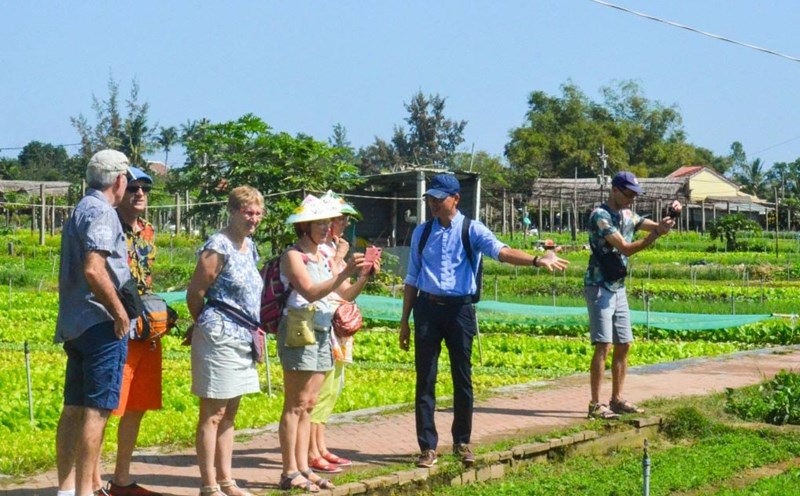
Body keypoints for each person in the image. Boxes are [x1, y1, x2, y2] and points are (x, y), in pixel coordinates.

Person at [399, 174, 569, 469]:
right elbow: (413, 276)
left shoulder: (472, 229)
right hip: (426, 309)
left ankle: (462, 441)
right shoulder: (422, 233)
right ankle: (427, 447)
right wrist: (405, 320)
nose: (434, 203)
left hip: (460, 311)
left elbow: (500, 251)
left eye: (440, 198)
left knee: (462, 377)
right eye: (431, 198)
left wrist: (534, 259)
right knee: (424, 378)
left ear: (456, 199)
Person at [277, 194, 373, 492]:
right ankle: (289, 471)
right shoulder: (293, 256)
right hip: (299, 329)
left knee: (309, 404)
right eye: (318, 222)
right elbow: (309, 291)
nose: (324, 227)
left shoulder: (326, 256)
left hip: (322, 331)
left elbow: (345, 294)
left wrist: (364, 275)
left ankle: (304, 467)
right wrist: (344, 270)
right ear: (303, 226)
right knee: (294, 404)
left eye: (327, 221)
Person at [55, 150, 133, 496]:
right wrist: (119, 312)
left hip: (74, 321)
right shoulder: (104, 213)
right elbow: (93, 268)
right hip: (100, 323)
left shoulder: (81, 207)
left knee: (72, 407)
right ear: (119, 179)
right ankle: (87, 490)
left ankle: (67, 488)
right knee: (97, 409)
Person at [186, 186, 265, 496]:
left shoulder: (250, 246)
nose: (253, 219)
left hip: (244, 336)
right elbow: (196, 293)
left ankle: (227, 480)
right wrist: (205, 324)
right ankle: (209, 485)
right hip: (218, 336)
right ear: (232, 211)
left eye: (258, 213)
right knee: (213, 413)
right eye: (248, 212)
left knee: (230, 413)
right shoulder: (217, 246)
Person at [585, 171, 680, 420]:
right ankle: (595, 404)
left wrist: (670, 217)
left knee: (624, 343)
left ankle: (616, 400)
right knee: (603, 345)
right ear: (615, 190)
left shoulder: (628, 214)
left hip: (618, 286)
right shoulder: (601, 216)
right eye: (628, 194)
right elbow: (626, 247)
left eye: (634, 195)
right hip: (599, 286)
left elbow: (654, 226)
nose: (631, 199)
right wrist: (655, 235)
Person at [104, 167, 162, 496]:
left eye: (145, 189)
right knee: (109, 406)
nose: (140, 194)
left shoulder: (147, 231)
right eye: (133, 188)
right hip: (118, 326)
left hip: (145, 328)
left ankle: (121, 478)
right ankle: (89, 481)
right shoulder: (108, 226)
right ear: (119, 190)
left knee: (137, 405)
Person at [307, 192, 369, 474]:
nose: (344, 224)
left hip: (338, 327)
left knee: (333, 387)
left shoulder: (334, 250)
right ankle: (310, 450)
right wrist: (341, 259)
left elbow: (346, 293)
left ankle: (319, 446)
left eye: (345, 220)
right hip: (322, 324)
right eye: (339, 219)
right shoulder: (320, 252)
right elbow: (328, 287)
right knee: (319, 390)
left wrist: (364, 275)